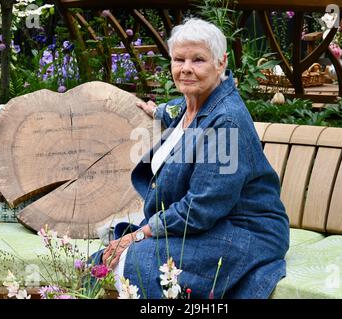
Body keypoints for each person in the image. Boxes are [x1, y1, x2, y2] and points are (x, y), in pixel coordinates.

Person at [95, 18, 289, 299]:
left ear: (220, 64)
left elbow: (202, 206)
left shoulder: (227, 124)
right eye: (179, 59)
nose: (186, 68)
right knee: (105, 257)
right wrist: (159, 110)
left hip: (247, 230)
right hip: (213, 223)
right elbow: (181, 107)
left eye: (198, 60)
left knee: (138, 259)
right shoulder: (193, 106)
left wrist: (142, 233)